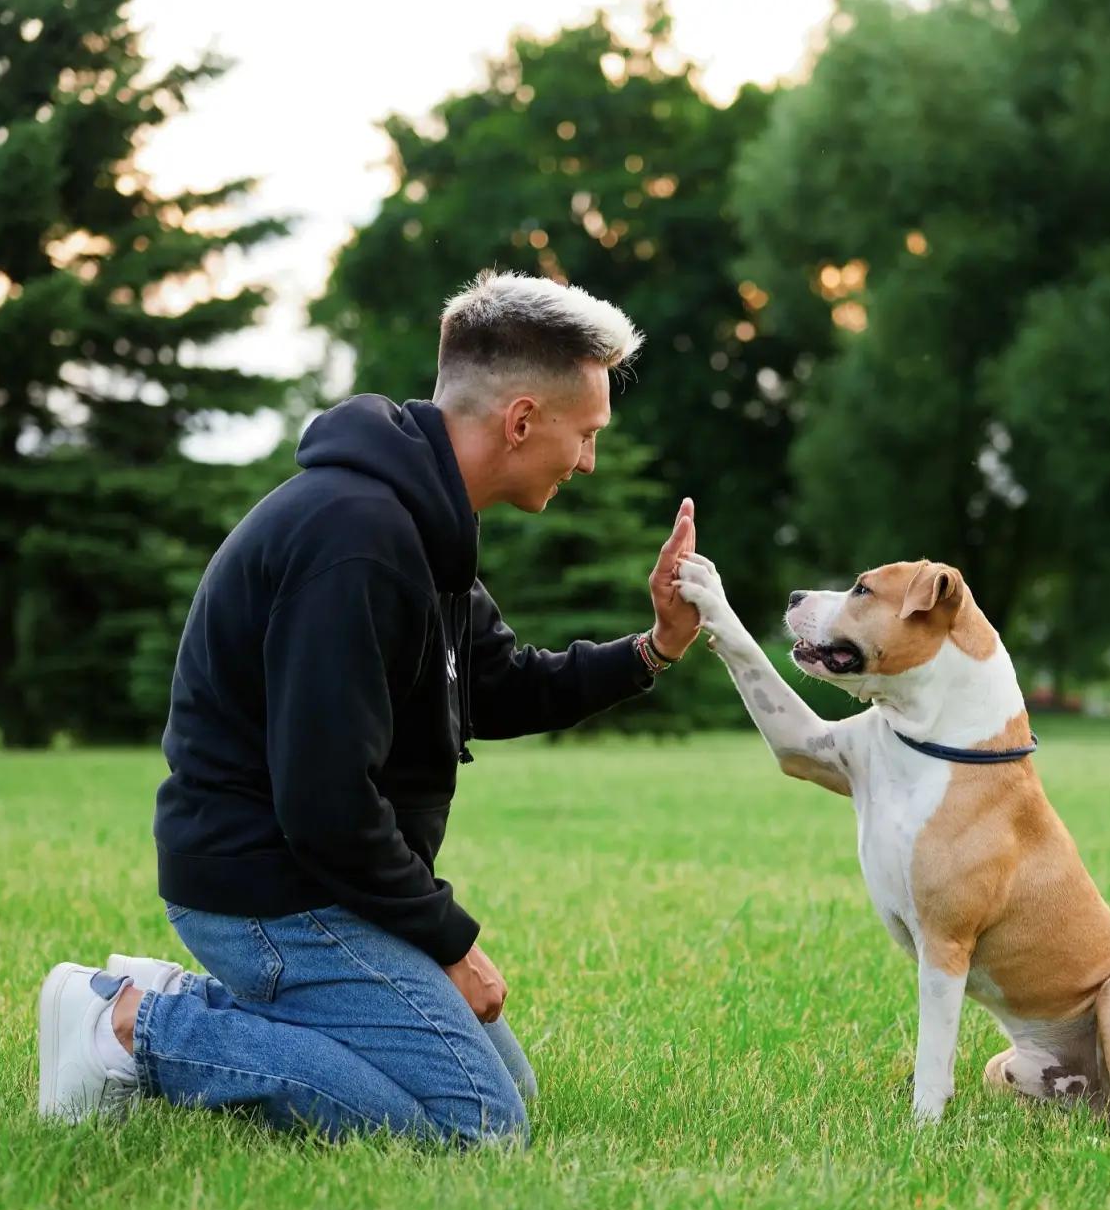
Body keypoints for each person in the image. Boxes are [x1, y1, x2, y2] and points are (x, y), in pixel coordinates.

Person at [35, 271, 700, 1145]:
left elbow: (496, 683)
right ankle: (131, 1030)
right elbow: (324, 801)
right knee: (479, 1124)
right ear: (523, 420)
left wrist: (657, 645)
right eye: (586, 435)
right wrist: (448, 941)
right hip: (267, 892)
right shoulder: (356, 538)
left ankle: (168, 1002)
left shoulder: (422, 525)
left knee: (513, 1088)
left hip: (322, 880)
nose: (588, 461)